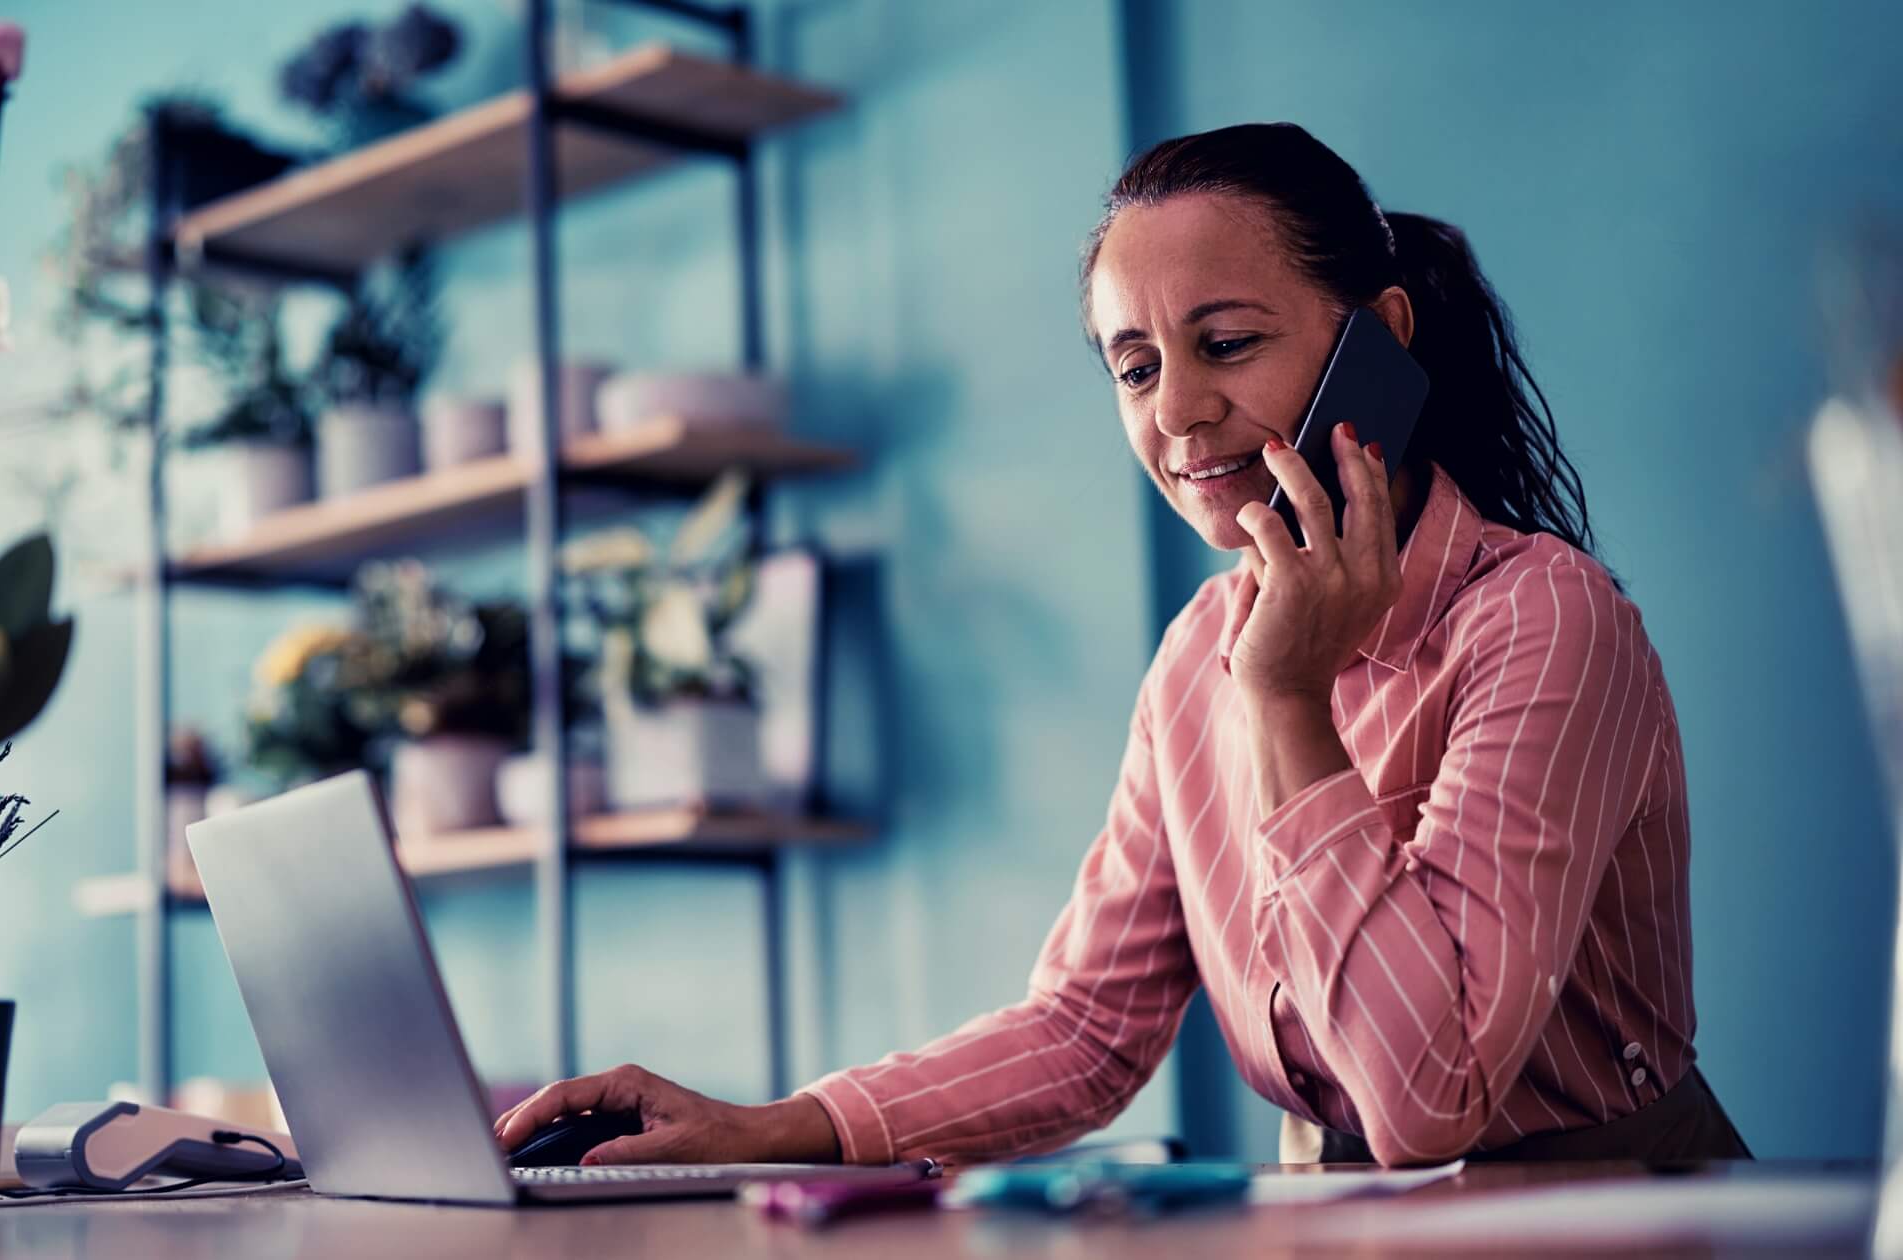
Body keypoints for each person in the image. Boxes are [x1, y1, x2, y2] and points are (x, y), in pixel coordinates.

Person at [493, 122, 1750, 1168]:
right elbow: (1088, 1031)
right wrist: (771, 1128)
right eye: (1133, 366)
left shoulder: (1540, 617)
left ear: (1380, 340)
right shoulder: (1199, 648)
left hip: (1615, 1216)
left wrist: (1287, 703)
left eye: (1227, 344)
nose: (1178, 413)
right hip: (1350, 1226)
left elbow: (1427, 1098)